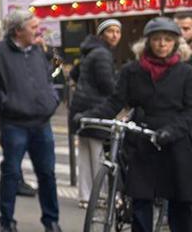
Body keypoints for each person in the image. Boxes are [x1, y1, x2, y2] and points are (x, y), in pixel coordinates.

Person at [80, 17, 192, 232]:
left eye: (167, 40)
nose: (162, 44)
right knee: (140, 199)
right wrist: (89, 115)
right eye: (157, 39)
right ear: (147, 42)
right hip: (142, 138)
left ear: (176, 44)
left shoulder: (186, 73)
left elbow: (189, 111)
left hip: (176, 140)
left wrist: (171, 131)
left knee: (181, 202)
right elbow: (115, 101)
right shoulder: (132, 71)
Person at [0, 10, 62, 232]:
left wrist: (52, 99)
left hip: (42, 122)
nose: (38, 31)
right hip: (14, 123)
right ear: (18, 31)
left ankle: (51, 220)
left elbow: (49, 76)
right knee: (12, 173)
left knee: (47, 174)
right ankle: (7, 221)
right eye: (33, 27)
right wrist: (4, 101)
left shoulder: (38, 50)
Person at [68, 18, 121, 208]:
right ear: (101, 34)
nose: (115, 35)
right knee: (99, 155)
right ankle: (101, 195)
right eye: (110, 31)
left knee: (85, 153)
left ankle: (86, 196)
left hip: (80, 108)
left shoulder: (89, 51)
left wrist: (83, 85)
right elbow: (107, 85)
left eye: (117, 31)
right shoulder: (102, 54)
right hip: (96, 109)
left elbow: (74, 74)